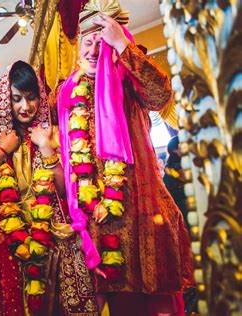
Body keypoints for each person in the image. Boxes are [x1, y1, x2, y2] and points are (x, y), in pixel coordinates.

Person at [56, 1, 194, 315]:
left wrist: (121, 43)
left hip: (142, 215)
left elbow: (161, 96)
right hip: (100, 221)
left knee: (156, 302)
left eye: (100, 42)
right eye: (86, 42)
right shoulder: (67, 95)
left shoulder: (127, 77)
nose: (92, 50)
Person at [0, 60, 98, 315]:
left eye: (31, 97)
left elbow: (67, 191)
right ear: (5, 99)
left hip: (51, 234)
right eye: (17, 99)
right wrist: (2, 151)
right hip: (6, 238)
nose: (25, 107)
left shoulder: (52, 133)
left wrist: (46, 147)